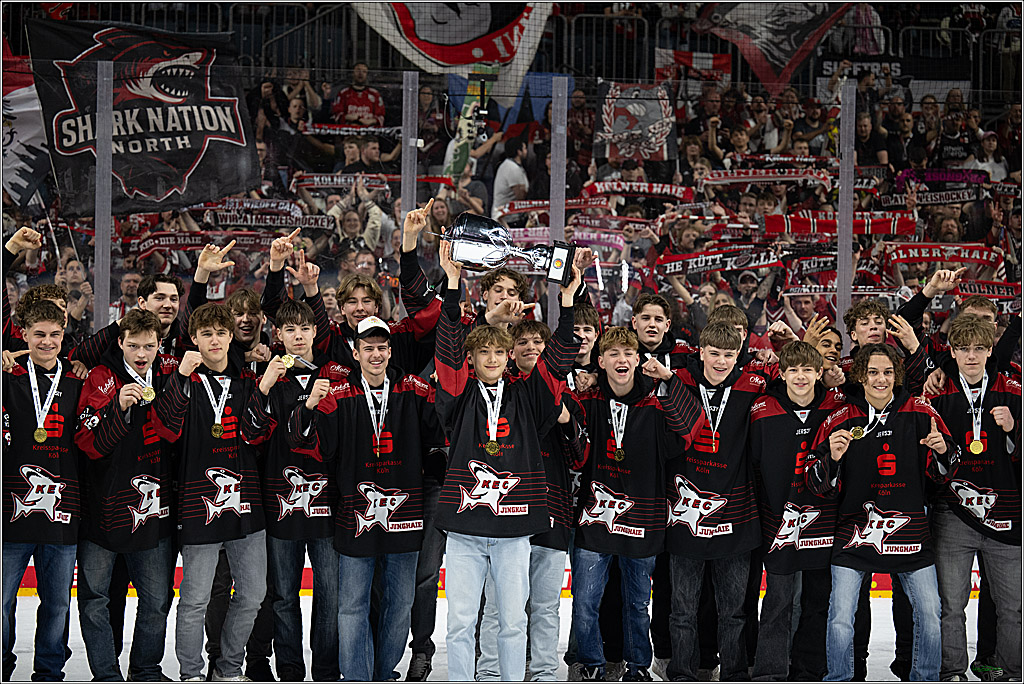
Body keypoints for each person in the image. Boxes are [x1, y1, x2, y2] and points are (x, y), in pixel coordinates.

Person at [432, 238, 581, 681]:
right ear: (473, 359)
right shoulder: (457, 394)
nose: (493, 358)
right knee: (460, 623)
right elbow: (447, 346)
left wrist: (567, 302)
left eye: (500, 352)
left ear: (510, 356)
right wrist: (453, 285)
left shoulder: (528, 396)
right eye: (484, 353)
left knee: (514, 621)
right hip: (464, 527)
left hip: (515, 527)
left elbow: (558, 360)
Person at [295, 314, 444, 681]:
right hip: (354, 516)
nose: (375, 354)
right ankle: (357, 678)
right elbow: (317, 448)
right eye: (368, 348)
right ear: (355, 352)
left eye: (381, 347)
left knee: (400, 604)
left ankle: (382, 673)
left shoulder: (414, 390)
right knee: (351, 606)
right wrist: (310, 407)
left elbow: (439, 435)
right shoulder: (338, 396)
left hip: (405, 515)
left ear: (390, 351)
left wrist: (444, 392)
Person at [806, 343, 959, 681]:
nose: (881, 379)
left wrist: (943, 451)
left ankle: (925, 678)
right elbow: (815, 482)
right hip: (854, 533)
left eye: (888, 372)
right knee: (841, 616)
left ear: (896, 375)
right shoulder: (841, 416)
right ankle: (839, 678)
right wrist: (832, 459)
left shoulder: (921, 410)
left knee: (930, 613)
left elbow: (947, 471)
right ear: (861, 376)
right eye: (873, 372)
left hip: (911, 533)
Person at [572, 327, 705, 681]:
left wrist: (670, 379)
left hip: (643, 521)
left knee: (637, 604)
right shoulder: (588, 400)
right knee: (584, 603)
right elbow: (571, 445)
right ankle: (592, 665)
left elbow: (691, 428)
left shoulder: (657, 403)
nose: (622, 359)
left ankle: (637, 668)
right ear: (601, 362)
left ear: (637, 360)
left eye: (628, 353)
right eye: (613, 354)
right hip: (594, 520)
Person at [153, 303, 277, 682]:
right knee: (195, 599)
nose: (215, 340)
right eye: (206, 334)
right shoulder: (184, 381)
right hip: (197, 504)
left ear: (230, 337)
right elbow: (166, 429)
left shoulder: (246, 382)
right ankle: (191, 674)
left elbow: (255, 434)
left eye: (221, 333)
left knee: (253, 594)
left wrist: (264, 387)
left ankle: (227, 669)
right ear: (194, 338)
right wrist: (179, 376)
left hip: (246, 504)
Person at [475, 320, 585, 681]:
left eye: (538, 342)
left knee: (546, 605)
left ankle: (543, 673)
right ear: (511, 351)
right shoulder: (497, 394)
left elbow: (582, 457)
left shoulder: (566, 396)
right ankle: (490, 671)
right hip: (505, 514)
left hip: (553, 512)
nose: (531, 348)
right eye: (522, 342)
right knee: (497, 604)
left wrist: (566, 422)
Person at [664, 322, 767, 681]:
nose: (721, 361)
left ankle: (734, 674)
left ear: (738, 355)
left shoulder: (753, 387)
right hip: (684, 518)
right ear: (701, 352)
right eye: (715, 353)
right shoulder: (679, 381)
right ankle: (682, 673)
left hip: (735, 516)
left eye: (729, 354)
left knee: (734, 612)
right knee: (682, 611)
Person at [256, 297, 348, 682]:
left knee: (330, 596)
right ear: (278, 334)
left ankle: (325, 671)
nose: (298, 336)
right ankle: (291, 671)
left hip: (327, 507)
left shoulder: (335, 378)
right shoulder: (268, 378)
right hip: (281, 505)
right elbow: (252, 435)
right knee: (283, 596)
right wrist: (264, 386)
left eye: (304, 328)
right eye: (290, 329)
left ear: (315, 332)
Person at [926, 314, 1021, 682]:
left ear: (990, 350)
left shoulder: (1014, 391)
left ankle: (1010, 672)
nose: (971, 356)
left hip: (1006, 513)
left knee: (1013, 608)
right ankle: (952, 671)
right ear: (952, 352)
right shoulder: (937, 393)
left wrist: (1015, 428)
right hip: (953, 513)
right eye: (963, 349)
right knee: (951, 606)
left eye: (979, 348)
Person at [749, 341, 846, 681]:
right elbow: (753, 465)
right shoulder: (762, 409)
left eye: (808, 369)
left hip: (825, 522)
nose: (800, 376)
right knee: (777, 601)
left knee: (817, 602)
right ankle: (770, 673)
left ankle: (809, 671)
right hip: (779, 524)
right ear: (782, 374)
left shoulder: (837, 407)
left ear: (820, 373)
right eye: (793, 370)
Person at [2, 300, 84, 681]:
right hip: (12, 511)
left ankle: (49, 673)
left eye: (54, 334)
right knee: (2, 600)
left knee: (57, 603)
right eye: (39, 335)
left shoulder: (76, 381)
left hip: (62, 513)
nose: (47, 342)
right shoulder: (9, 377)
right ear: (23, 335)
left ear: (63, 334)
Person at [330, 62, 385, 127]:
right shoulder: (343, 93)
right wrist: (347, 117)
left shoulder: (375, 94)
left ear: (367, 74)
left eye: (364, 71)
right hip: (348, 130)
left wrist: (371, 121)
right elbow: (336, 115)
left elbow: (381, 116)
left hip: (369, 131)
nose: (360, 73)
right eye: (358, 70)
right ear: (352, 73)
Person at [492, 138, 529, 219]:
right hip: (507, 218)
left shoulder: (511, 165)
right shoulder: (512, 168)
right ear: (519, 152)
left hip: (509, 215)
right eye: (525, 148)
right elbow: (520, 196)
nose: (526, 151)